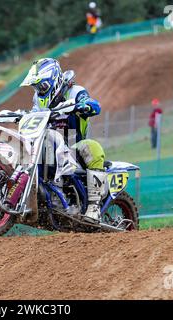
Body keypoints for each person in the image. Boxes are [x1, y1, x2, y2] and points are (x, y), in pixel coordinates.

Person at [20, 58, 105, 221]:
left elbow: (95, 105)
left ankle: (94, 207)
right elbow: (33, 115)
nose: (39, 90)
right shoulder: (37, 99)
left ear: (55, 80)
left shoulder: (75, 91)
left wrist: (85, 105)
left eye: (42, 85)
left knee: (92, 147)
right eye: (36, 87)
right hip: (46, 145)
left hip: (74, 146)